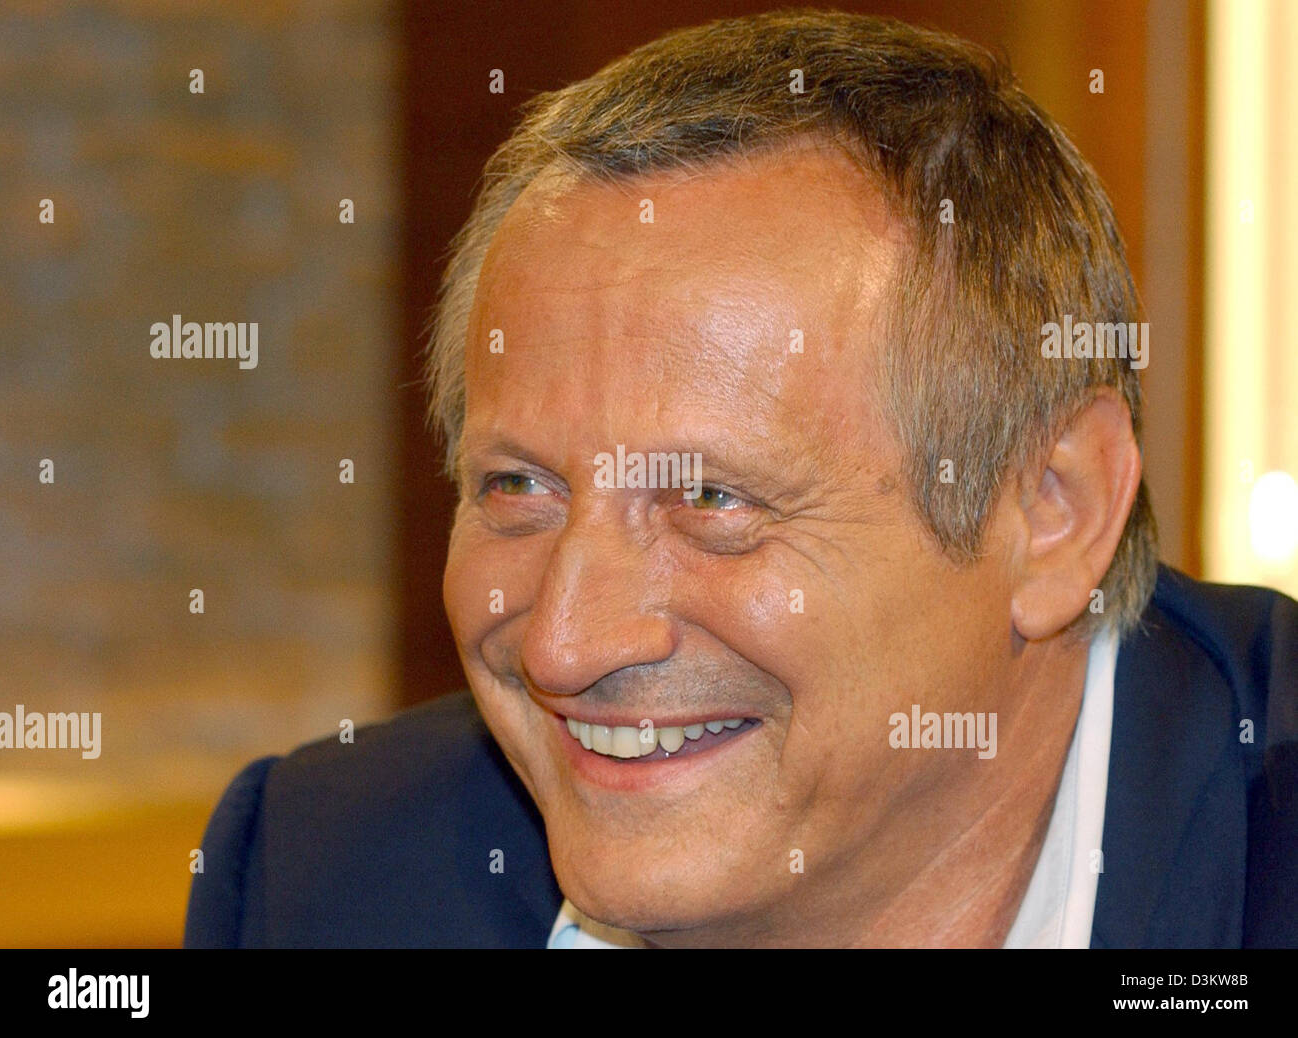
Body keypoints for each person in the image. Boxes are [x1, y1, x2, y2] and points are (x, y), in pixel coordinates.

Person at [185, 10, 1297, 948]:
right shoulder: (331, 880)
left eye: (711, 502)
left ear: (1053, 510)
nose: (564, 645)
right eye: (519, 489)